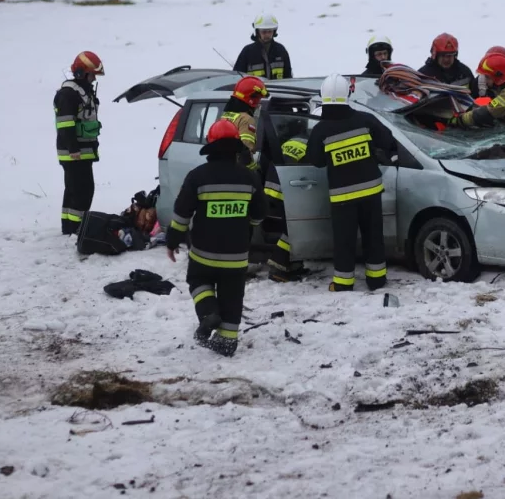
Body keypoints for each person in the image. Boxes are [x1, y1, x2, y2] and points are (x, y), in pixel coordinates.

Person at [166, 119, 267, 357]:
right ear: (236, 148)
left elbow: (182, 213)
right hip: (237, 255)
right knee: (233, 296)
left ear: (210, 147)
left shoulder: (197, 176)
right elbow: (259, 214)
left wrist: (172, 241)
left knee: (198, 282)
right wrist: (246, 227)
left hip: (204, 253)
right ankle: (227, 342)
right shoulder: (249, 178)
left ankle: (209, 311)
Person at [306, 74, 397, 292]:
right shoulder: (365, 120)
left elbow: (316, 162)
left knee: (344, 241)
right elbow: (388, 141)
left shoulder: (321, 130)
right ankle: (377, 280)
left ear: (323, 97)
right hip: (371, 192)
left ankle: (343, 284)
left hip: (343, 197)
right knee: (374, 237)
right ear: (348, 94)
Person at [54, 51, 104, 235]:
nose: (93, 79)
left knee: (74, 190)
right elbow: (65, 124)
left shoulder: (81, 91)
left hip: (82, 151)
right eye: (92, 75)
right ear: (81, 73)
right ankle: (76, 228)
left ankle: (69, 228)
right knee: (83, 191)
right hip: (74, 153)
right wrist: (74, 149)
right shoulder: (68, 94)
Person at [265, 116, 313, 282]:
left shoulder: (297, 139)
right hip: (285, 189)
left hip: (273, 186)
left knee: (292, 227)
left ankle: (294, 266)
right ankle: (278, 267)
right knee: (295, 230)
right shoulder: (313, 143)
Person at [220, 76, 268, 172]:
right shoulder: (247, 120)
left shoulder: (226, 115)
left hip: (222, 166)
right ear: (251, 98)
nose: (258, 103)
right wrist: (255, 171)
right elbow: (245, 153)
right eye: (258, 98)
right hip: (238, 173)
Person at [233, 13, 293, 80]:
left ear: (274, 31)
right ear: (257, 32)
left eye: (270, 31)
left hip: (276, 90)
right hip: (254, 90)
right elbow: (236, 78)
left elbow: (288, 78)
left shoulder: (281, 50)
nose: (267, 35)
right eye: (264, 32)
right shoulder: (247, 52)